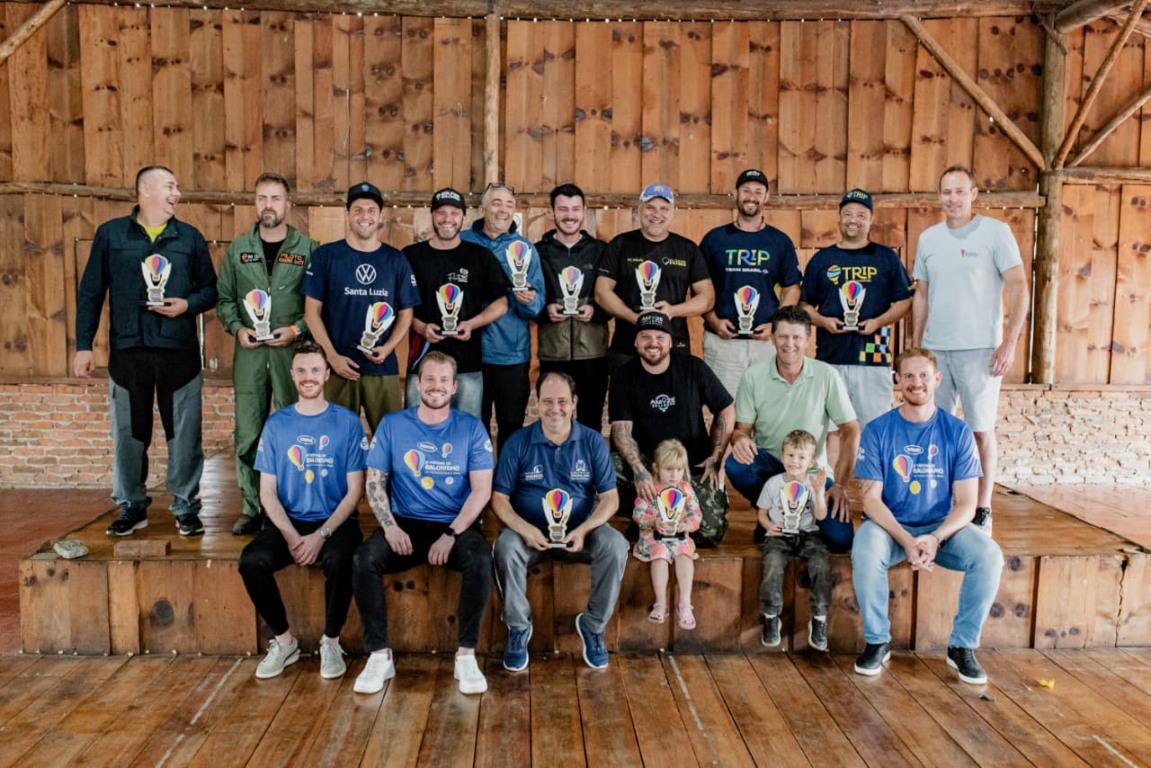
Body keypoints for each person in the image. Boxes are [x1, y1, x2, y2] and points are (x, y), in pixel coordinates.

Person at [73, 166, 218, 537]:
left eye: (178, 186)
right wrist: (83, 345)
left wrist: (186, 305)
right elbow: (91, 292)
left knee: (184, 434)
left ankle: (186, 507)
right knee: (128, 433)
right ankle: (131, 505)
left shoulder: (190, 237)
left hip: (179, 352)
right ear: (146, 190)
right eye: (171, 186)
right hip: (128, 351)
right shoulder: (110, 236)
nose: (178, 193)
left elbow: (211, 290)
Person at [852, 347, 1004, 684]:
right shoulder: (877, 430)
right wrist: (907, 540)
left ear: (937, 379)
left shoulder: (957, 431)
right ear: (897, 381)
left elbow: (967, 502)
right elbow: (871, 501)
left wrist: (935, 538)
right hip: (890, 525)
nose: (916, 382)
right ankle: (878, 641)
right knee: (865, 549)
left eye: (923, 376)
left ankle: (961, 647)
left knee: (989, 555)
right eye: (908, 376)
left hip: (940, 527)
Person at [352, 351, 494, 696]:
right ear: (417, 384)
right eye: (429, 379)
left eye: (444, 380)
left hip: (455, 525)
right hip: (405, 524)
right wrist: (389, 527)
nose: (436, 386)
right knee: (362, 560)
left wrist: (451, 533)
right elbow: (375, 482)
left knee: (480, 560)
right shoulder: (393, 424)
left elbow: (481, 491)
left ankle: (465, 656)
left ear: (455, 387)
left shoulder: (471, 428)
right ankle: (379, 655)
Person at [238, 341, 366, 680]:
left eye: (314, 370)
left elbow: (355, 492)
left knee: (343, 559)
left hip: (335, 521)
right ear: (292, 375)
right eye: (301, 371)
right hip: (289, 523)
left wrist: (321, 536)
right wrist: (294, 536)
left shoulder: (348, 423)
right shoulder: (277, 424)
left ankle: (331, 641)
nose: (308, 377)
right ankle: (284, 641)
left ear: (326, 374)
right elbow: (267, 493)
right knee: (250, 562)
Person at [912, 165, 1029, 532]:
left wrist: (1009, 342)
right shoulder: (929, 239)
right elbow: (922, 294)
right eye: (946, 192)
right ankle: (940, 501)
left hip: (981, 351)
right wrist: (916, 348)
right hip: (936, 349)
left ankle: (981, 507)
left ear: (974, 194)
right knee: (936, 429)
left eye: (960, 191)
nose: (953, 198)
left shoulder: (996, 233)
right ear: (940, 196)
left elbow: (1020, 286)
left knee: (980, 430)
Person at [492, 372, 625, 671]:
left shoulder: (592, 441)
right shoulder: (518, 441)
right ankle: (518, 627)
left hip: (580, 533)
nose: (555, 408)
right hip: (530, 534)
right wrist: (524, 529)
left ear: (575, 402)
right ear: (536, 403)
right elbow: (499, 499)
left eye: (563, 401)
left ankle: (592, 625)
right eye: (548, 401)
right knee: (505, 546)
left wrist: (584, 529)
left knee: (616, 545)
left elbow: (610, 498)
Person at [217, 172, 319, 535]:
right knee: (248, 433)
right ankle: (252, 507)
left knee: (296, 431)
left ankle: (296, 504)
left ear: (288, 204)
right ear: (254, 203)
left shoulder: (308, 249)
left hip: (293, 357)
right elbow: (225, 298)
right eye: (262, 198)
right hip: (249, 357)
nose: (268, 206)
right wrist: (237, 327)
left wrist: (296, 330)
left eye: (276, 198)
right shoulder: (237, 249)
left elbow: (318, 305)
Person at [724, 305, 859, 553]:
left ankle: (800, 523)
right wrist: (740, 438)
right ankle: (774, 514)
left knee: (841, 540)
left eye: (797, 337)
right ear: (773, 337)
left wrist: (840, 485)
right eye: (783, 336)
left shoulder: (826, 375)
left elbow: (851, 430)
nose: (790, 343)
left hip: (813, 473)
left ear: (808, 339)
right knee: (736, 464)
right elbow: (741, 429)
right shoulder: (753, 376)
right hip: (772, 467)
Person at [303, 182, 419, 434]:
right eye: (357, 209)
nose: (364, 216)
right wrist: (331, 357)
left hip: (382, 368)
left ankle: (384, 477)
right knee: (335, 440)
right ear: (347, 214)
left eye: (370, 210)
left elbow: (406, 313)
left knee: (389, 439)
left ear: (380, 216)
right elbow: (311, 313)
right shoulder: (326, 256)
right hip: (337, 367)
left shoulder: (395, 259)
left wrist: (388, 348)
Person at [609, 312, 734, 546]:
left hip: (689, 469)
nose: (653, 343)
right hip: (649, 466)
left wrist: (716, 457)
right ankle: (643, 519)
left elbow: (726, 409)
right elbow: (621, 431)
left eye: (660, 337)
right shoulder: (624, 375)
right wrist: (639, 471)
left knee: (711, 532)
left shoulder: (693, 367)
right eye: (645, 337)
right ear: (636, 342)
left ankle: (674, 524)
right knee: (610, 465)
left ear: (670, 341)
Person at [800, 188, 913, 430]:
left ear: (871, 219)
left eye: (861, 215)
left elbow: (905, 301)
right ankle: (831, 471)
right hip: (829, 360)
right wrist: (822, 321)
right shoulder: (822, 259)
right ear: (839, 217)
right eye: (848, 214)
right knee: (827, 431)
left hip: (874, 358)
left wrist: (878, 322)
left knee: (874, 432)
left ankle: (867, 471)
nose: (854, 220)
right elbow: (804, 306)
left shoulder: (886, 258)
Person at [403, 188, 510, 419]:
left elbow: (501, 302)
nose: (447, 219)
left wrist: (473, 323)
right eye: (441, 212)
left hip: (468, 364)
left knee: (467, 431)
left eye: (454, 212)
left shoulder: (480, 256)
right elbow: (399, 306)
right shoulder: (411, 256)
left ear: (464, 218)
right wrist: (420, 326)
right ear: (432, 216)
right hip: (421, 363)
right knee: (416, 428)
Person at [700, 168, 802, 397]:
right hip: (722, 343)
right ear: (735, 194)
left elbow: (792, 288)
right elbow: (699, 289)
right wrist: (714, 321)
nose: (751, 196)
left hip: (765, 343)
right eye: (746, 190)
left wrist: (777, 324)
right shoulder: (714, 239)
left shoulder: (779, 241)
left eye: (758, 191)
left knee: (769, 409)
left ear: (766, 197)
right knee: (724, 410)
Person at [460, 182, 545, 454]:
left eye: (509, 205)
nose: (503, 210)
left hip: (512, 354)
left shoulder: (525, 249)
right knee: (473, 426)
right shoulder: (463, 243)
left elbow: (539, 303)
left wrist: (530, 302)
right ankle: (478, 486)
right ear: (482, 208)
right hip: (469, 352)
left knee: (511, 426)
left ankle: (506, 489)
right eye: (497, 203)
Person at [595, 183, 715, 371]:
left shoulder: (688, 249)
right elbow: (602, 292)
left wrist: (672, 311)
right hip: (626, 347)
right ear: (639, 210)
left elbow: (707, 298)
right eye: (650, 207)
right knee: (625, 400)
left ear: (672, 212)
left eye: (664, 208)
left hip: (675, 346)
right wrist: (635, 318)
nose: (656, 214)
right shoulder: (620, 245)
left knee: (675, 400)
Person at [536, 183, 610, 433]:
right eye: (563, 209)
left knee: (591, 420)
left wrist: (596, 312)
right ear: (552, 212)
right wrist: (544, 311)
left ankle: (589, 470)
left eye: (575, 209)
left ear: (584, 211)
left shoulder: (601, 251)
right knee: (553, 419)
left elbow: (614, 296)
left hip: (593, 353)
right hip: (552, 352)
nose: (569, 215)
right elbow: (529, 298)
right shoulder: (537, 252)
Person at [756, 429, 831, 651]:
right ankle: (771, 616)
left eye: (801, 457)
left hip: (808, 534)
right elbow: (762, 513)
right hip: (779, 536)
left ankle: (819, 619)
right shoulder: (773, 484)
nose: (795, 461)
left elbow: (821, 516)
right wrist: (769, 526)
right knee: (772, 564)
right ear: (782, 456)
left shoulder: (814, 483)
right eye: (790, 455)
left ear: (811, 461)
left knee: (821, 564)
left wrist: (818, 493)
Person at [631, 439, 701, 630]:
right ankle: (660, 603)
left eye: (679, 470)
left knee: (685, 555)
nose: (674, 475)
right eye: (669, 469)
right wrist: (653, 522)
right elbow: (638, 513)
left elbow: (697, 514)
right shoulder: (650, 488)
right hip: (654, 538)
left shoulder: (685, 489)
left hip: (679, 537)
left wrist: (688, 523)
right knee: (660, 555)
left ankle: (685, 604)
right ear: (656, 467)